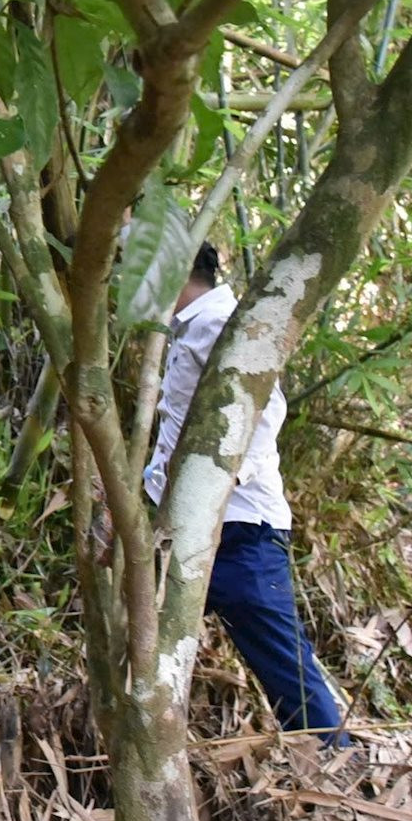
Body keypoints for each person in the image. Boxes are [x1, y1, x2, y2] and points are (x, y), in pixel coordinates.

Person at [143, 242, 350, 745]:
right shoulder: (190, 327)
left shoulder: (217, 323)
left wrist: (217, 483)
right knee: (148, 639)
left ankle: (339, 763)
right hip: (196, 522)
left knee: (283, 661)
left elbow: (265, 409)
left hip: (237, 526)